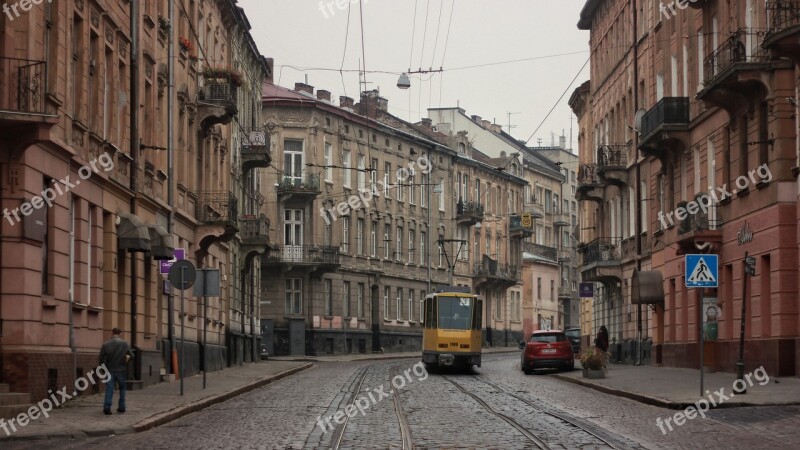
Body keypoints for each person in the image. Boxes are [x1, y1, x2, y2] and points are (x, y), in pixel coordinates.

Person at [99, 327, 133, 415]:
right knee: (122, 388)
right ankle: (121, 407)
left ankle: (107, 407)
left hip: (109, 370)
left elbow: (101, 359)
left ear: (112, 333)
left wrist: (103, 369)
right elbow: (131, 355)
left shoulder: (105, 344)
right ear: (120, 333)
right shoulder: (124, 344)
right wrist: (126, 361)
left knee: (109, 389)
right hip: (121, 369)